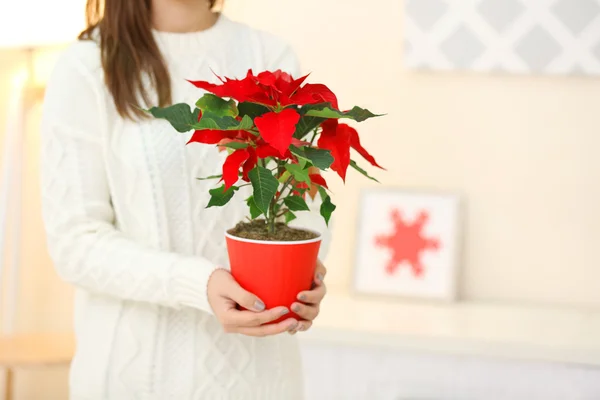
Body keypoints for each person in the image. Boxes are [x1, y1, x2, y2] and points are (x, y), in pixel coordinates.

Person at [40, 0, 329, 398]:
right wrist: (199, 283)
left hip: (261, 382)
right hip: (134, 381)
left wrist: (306, 275)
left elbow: (305, 203)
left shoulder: (270, 56)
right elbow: (75, 243)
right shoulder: (88, 67)